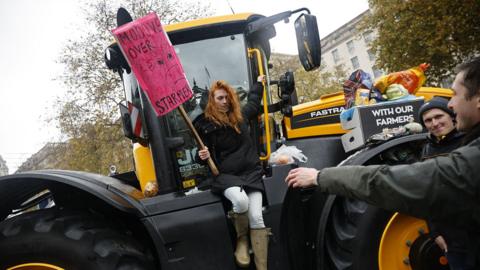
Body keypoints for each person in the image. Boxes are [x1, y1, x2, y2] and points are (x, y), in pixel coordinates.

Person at [285, 57, 480, 265]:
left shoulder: (471, 160)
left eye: (455, 95)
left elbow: (399, 182)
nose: (451, 103)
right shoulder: (440, 148)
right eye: (428, 120)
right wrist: (437, 231)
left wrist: (320, 176)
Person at [194, 76, 269, 270]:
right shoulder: (207, 126)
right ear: (212, 100)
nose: (225, 101)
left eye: (227, 97)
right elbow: (200, 155)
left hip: (251, 172)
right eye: (220, 98)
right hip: (227, 177)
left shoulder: (241, 116)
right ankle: (242, 240)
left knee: (256, 217)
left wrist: (259, 83)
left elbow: (253, 101)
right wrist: (202, 155)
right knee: (241, 201)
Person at [418, 96, 469, 269]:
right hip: (451, 239)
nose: (434, 123)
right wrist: (435, 233)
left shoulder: (470, 141)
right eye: (428, 120)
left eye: (439, 116)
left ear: (451, 115)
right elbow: (427, 195)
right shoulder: (427, 150)